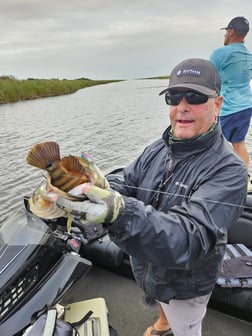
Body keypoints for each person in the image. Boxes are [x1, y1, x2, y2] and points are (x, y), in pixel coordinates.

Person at [56, 58, 247, 336]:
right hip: (148, 267)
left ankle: (175, 326)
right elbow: (127, 180)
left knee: (187, 328)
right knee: (161, 300)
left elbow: (188, 237)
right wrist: (99, 187)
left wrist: (118, 211)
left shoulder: (229, 170)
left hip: (187, 282)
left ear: (217, 104)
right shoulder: (158, 147)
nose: (182, 106)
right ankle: (163, 322)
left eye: (194, 97)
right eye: (174, 97)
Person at [209, 16, 252, 177]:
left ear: (232, 32)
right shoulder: (249, 55)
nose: (225, 35)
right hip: (246, 106)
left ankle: (216, 178)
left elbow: (207, 76)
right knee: (239, 143)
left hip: (227, 108)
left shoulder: (220, 53)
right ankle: (243, 178)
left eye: (226, 31)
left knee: (215, 145)